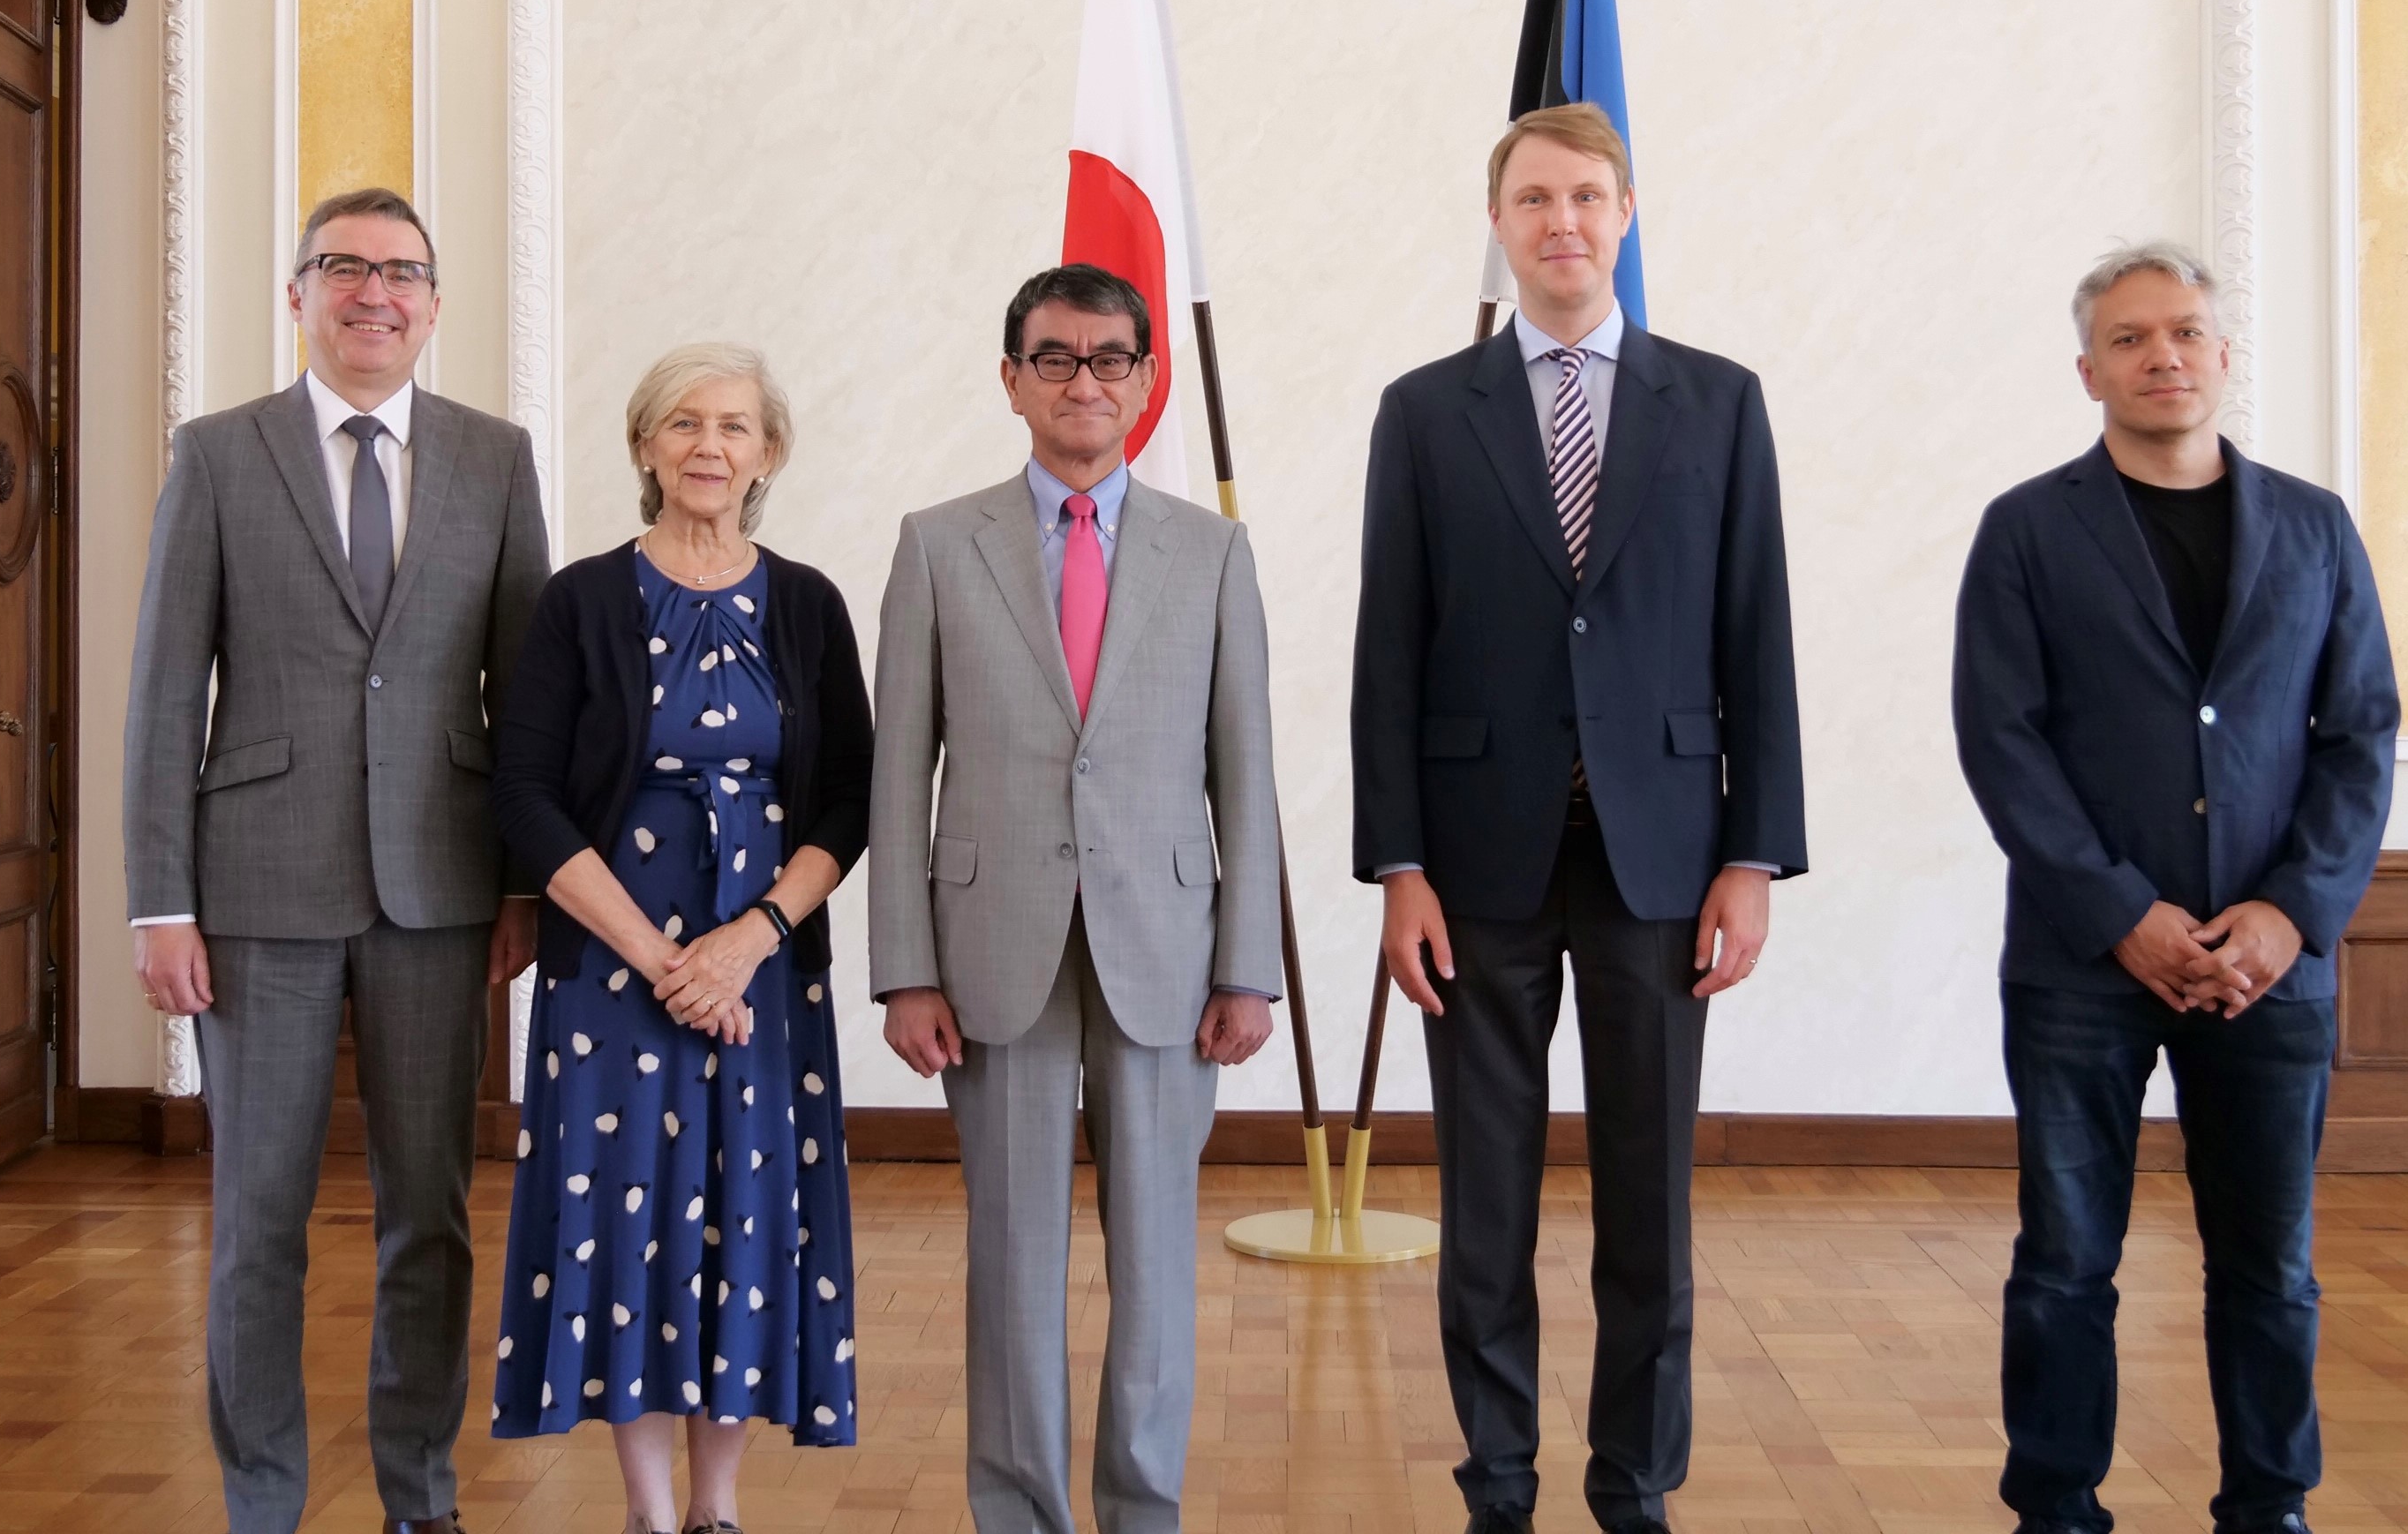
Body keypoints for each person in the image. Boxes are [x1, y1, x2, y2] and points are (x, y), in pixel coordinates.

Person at [1352, 102, 1806, 1534]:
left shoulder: (1717, 403)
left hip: (1662, 856)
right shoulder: (1426, 411)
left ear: (1626, 216)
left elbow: (1757, 638)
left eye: (1588, 197)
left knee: (1646, 1203)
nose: (1562, 221)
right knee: (1482, 1205)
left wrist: (1752, 850)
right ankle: (1496, 1483)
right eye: (1535, 198)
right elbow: (1389, 652)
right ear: (1498, 223)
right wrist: (1397, 865)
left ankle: (1634, 1486)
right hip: (1474, 866)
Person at [1951, 243, 2399, 1534]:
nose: (2163, 357)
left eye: (2187, 333)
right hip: (2079, 965)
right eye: (2133, 339)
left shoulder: (2313, 527)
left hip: (2271, 967)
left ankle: (2269, 1506)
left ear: (2221, 353)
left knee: (2268, 1270)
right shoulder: (2027, 529)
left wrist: (2285, 911)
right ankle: (2055, 1508)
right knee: (2063, 1265)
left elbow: (2358, 732)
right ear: (2087, 369)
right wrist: (2122, 915)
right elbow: (2003, 739)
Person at [125, 185, 551, 1534]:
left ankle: (421, 1494)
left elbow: (524, 696)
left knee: (429, 1212)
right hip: (257, 891)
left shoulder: (495, 457)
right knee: (258, 1219)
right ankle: (264, 1497)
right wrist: (161, 900)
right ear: (297, 293)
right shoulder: (217, 453)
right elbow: (160, 696)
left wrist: (527, 882)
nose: (376, 293)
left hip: (441, 890)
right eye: (345, 268)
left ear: (435, 303)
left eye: (403, 273)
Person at [867, 261, 1281, 1534]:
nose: (1082, 380)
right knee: (1013, 1264)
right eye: (1054, 357)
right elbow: (898, 770)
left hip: (1168, 947)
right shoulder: (939, 544)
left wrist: (1247, 963)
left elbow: (1244, 768)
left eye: (1109, 359)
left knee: (1156, 1261)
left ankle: (1139, 1509)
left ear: (1147, 383)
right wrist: (904, 966)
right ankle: (1020, 1511)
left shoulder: (1213, 553)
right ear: (1011, 380)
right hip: (992, 953)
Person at [486, 342, 870, 1534]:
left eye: (736, 427)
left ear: (769, 455)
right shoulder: (581, 600)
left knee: (739, 1221)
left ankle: (718, 1510)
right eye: (686, 424)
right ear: (647, 445)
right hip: (612, 974)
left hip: (761, 978)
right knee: (630, 1225)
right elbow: (527, 794)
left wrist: (748, 940)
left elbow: (849, 799)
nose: (711, 446)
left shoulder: (804, 602)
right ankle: (650, 1515)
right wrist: (664, 961)